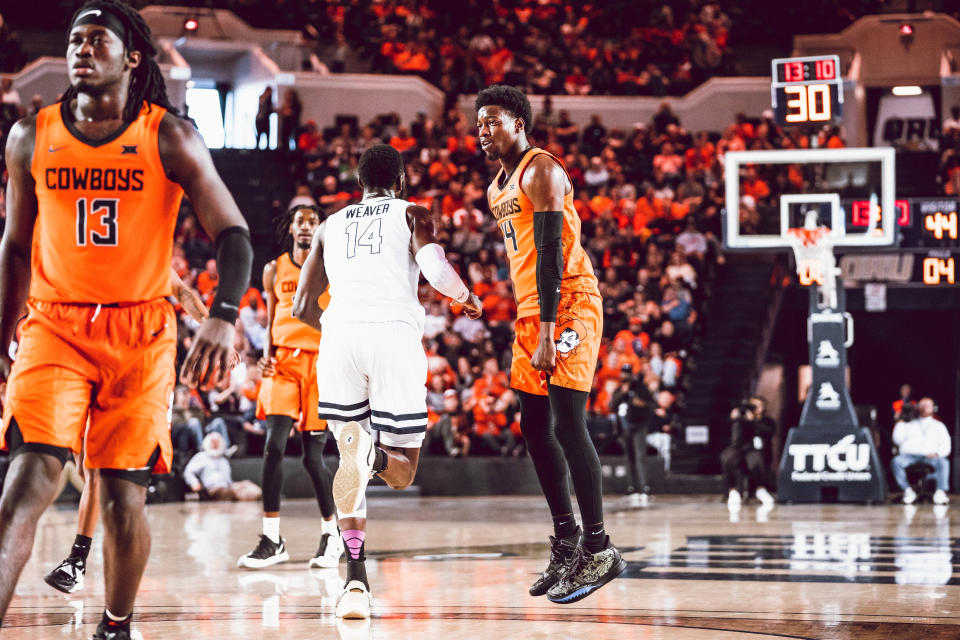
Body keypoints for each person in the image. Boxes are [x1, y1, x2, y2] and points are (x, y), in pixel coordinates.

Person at [0, 3, 252, 638]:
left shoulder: (169, 136)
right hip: (54, 327)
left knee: (119, 500)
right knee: (23, 488)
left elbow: (234, 235)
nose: (81, 50)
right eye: (74, 40)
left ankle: (116, 625)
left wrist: (224, 314)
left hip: (141, 335)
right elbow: (13, 247)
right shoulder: (30, 135)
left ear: (131, 57)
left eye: (96, 40)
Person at [293, 144, 482, 619]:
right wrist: (466, 297)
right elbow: (436, 269)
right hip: (394, 339)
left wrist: (340, 329)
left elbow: (300, 308)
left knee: (346, 464)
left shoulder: (329, 225)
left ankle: (355, 584)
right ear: (399, 181)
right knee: (402, 472)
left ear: (360, 183)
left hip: (338, 340)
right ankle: (373, 452)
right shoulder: (413, 212)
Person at [476, 85, 625, 604]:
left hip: (566, 303)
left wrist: (543, 330)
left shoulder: (540, 170)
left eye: (491, 120)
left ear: (519, 121)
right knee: (533, 426)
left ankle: (600, 547)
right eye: (478, 123)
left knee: (566, 422)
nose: (482, 130)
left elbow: (548, 256)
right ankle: (566, 544)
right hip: (531, 308)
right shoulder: (497, 186)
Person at [43, 269, 209, 594]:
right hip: (97, 357)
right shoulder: (93, 254)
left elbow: (184, 292)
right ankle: (81, 560)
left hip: (145, 367)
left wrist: (213, 325)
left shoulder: (149, 253)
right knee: (90, 468)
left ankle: (90, 565)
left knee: (117, 477)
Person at [237, 204, 342, 571]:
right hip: (282, 362)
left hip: (321, 362)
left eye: (313, 222)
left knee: (313, 458)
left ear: (320, 230)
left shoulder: (334, 266)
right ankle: (271, 538)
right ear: (291, 228)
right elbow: (269, 319)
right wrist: (264, 355)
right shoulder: (273, 269)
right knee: (273, 446)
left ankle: (332, 535)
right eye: (300, 221)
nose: (306, 227)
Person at [892, 397, 951, 505]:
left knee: (944, 462)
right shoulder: (907, 423)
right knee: (896, 461)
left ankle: (940, 492)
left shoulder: (939, 426)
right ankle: (908, 491)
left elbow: (946, 445)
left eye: (927, 406)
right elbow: (897, 440)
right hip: (909, 455)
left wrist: (937, 453)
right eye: (922, 405)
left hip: (930, 456)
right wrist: (900, 421)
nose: (924, 408)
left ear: (934, 408)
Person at [721, 397, 776, 510]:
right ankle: (732, 490)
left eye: (758, 406)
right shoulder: (741, 420)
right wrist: (734, 419)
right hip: (739, 449)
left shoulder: (767, 421)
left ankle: (760, 489)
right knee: (727, 458)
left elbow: (768, 431)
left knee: (755, 461)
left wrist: (753, 421)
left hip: (755, 450)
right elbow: (734, 438)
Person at [610, 363, 653, 505]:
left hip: (639, 426)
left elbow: (650, 404)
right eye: (624, 372)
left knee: (640, 456)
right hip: (624, 429)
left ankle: (644, 487)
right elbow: (611, 406)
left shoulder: (640, 388)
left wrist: (639, 403)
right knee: (629, 458)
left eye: (628, 372)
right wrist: (623, 393)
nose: (626, 375)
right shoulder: (619, 390)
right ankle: (632, 487)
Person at [184, 432, 261, 501]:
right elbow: (188, 472)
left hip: (229, 486)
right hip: (213, 490)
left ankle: (256, 496)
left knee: (247, 484)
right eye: (213, 442)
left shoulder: (223, 459)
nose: (215, 444)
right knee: (230, 492)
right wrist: (194, 483)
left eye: (217, 442)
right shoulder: (201, 457)